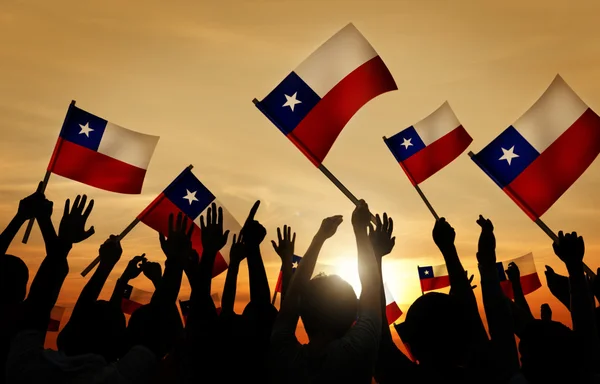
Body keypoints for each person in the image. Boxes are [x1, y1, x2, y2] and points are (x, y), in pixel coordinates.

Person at [270, 200, 382, 384]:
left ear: (303, 312)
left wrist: (320, 237)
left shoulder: (283, 355)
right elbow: (371, 286)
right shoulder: (360, 351)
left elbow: (293, 297)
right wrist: (360, 231)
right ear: (353, 314)